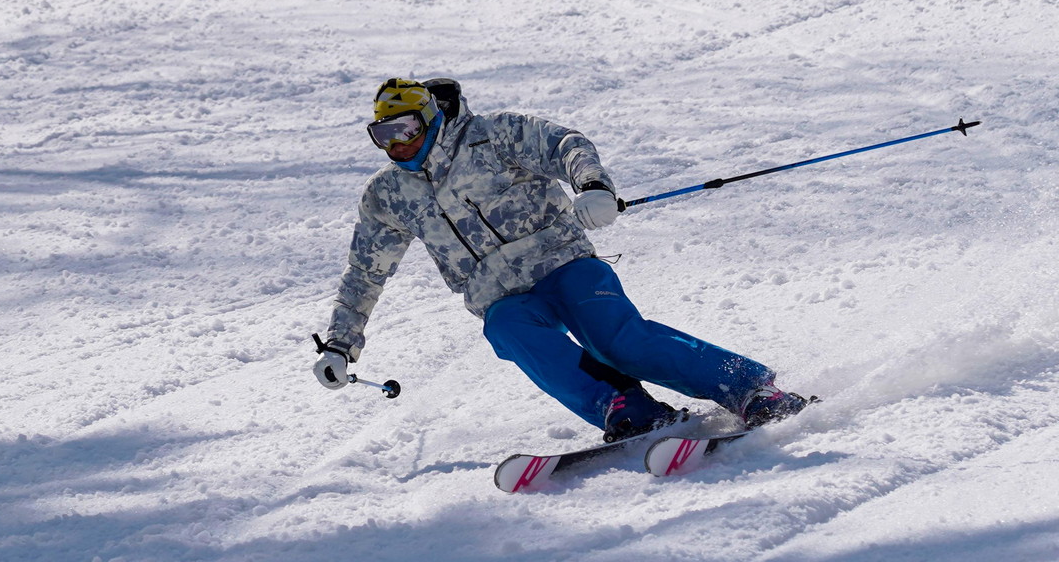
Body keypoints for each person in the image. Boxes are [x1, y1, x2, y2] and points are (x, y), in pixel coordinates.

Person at [313, 77, 808, 441]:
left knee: (618, 341)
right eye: (383, 135)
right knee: (506, 330)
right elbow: (364, 273)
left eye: (405, 128)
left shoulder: (492, 135)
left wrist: (592, 187)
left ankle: (749, 389)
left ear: (432, 117)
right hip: (502, 296)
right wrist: (340, 344)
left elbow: (565, 145)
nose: (397, 144)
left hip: (564, 263)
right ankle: (627, 408)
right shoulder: (387, 196)